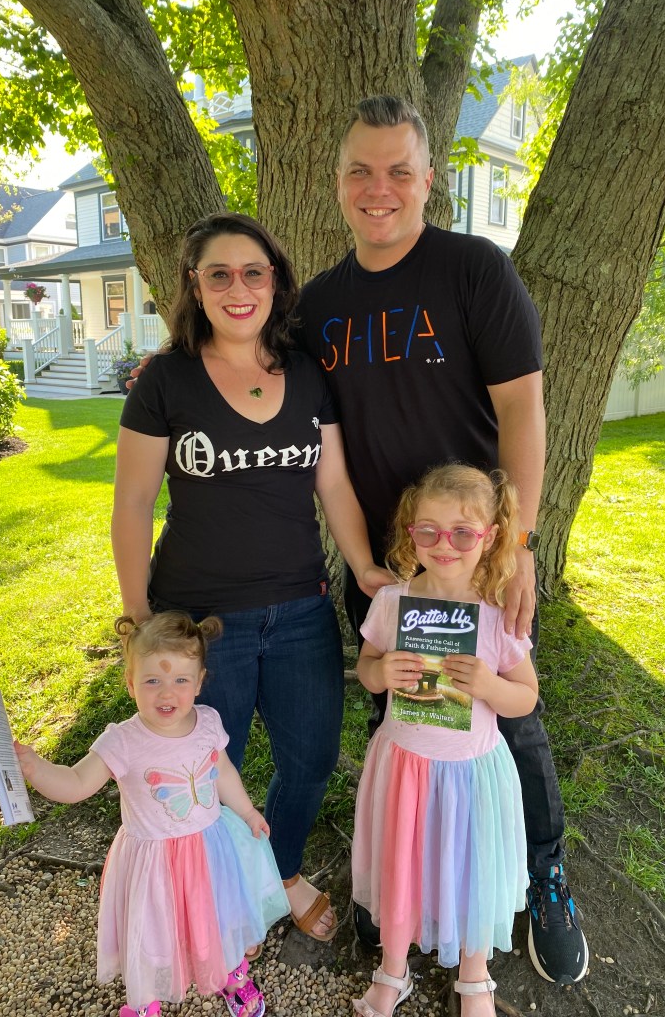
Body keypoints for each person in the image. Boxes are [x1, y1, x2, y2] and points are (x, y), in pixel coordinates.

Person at [296, 96, 588, 984]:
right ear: (338, 182)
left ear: (430, 181)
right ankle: (403, 882)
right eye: (360, 170)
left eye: (398, 171)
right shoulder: (317, 303)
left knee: (506, 718)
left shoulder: (474, 272)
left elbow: (522, 411)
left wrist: (520, 542)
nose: (377, 188)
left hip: (474, 557)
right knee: (401, 720)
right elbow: (296, 417)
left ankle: (539, 877)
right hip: (392, 568)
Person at [112, 212, 391, 944]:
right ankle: (213, 889)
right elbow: (135, 503)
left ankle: (283, 867)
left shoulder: (306, 374)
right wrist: (140, 617)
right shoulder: (163, 380)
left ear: (276, 283)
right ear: (194, 287)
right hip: (202, 619)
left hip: (300, 607)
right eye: (219, 274)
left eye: (253, 272)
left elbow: (333, 485)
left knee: (312, 757)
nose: (239, 289)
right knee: (210, 764)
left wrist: (362, 564)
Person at [14, 611, 289, 1017]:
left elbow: (222, 770)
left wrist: (247, 811)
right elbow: (75, 782)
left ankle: (231, 972)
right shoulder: (122, 740)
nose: (167, 693)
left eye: (181, 680)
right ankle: (146, 1000)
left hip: (210, 852)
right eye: (152, 681)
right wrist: (36, 769)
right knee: (154, 933)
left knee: (217, 916)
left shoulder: (208, 722)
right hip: (153, 862)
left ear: (198, 682)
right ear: (130, 683)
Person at [351, 464, 538, 1017]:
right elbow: (364, 666)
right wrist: (381, 673)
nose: (444, 544)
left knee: (469, 869)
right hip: (404, 767)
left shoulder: (499, 612)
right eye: (427, 530)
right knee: (400, 867)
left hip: (471, 775)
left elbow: (525, 697)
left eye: (462, 532)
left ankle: (475, 977)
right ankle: (393, 969)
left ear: (491, 536)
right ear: (410, 532)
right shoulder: (393, 602)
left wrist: (489, 685)